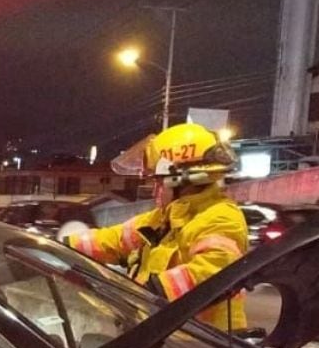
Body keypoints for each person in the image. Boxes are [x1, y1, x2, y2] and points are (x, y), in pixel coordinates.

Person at [63, 122, 249, 330]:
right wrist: (58, 246)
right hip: (166, 338)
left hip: (203, 347)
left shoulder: (221, 217)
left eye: (158, 183)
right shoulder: (164, 217)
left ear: (181, 180)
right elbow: (113, 239)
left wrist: (138, 293)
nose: (154, 191)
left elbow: (209, 275)